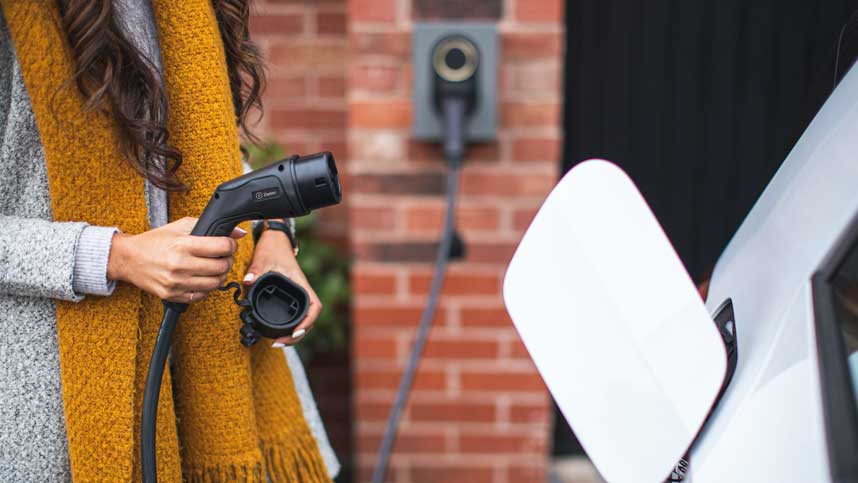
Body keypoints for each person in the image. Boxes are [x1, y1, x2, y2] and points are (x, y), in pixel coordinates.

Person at [0, 0, 338, 481]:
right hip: (60, 409)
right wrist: (117, 256)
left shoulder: (193, 8)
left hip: (220, 373)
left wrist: (275, 237)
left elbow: (215, 160)